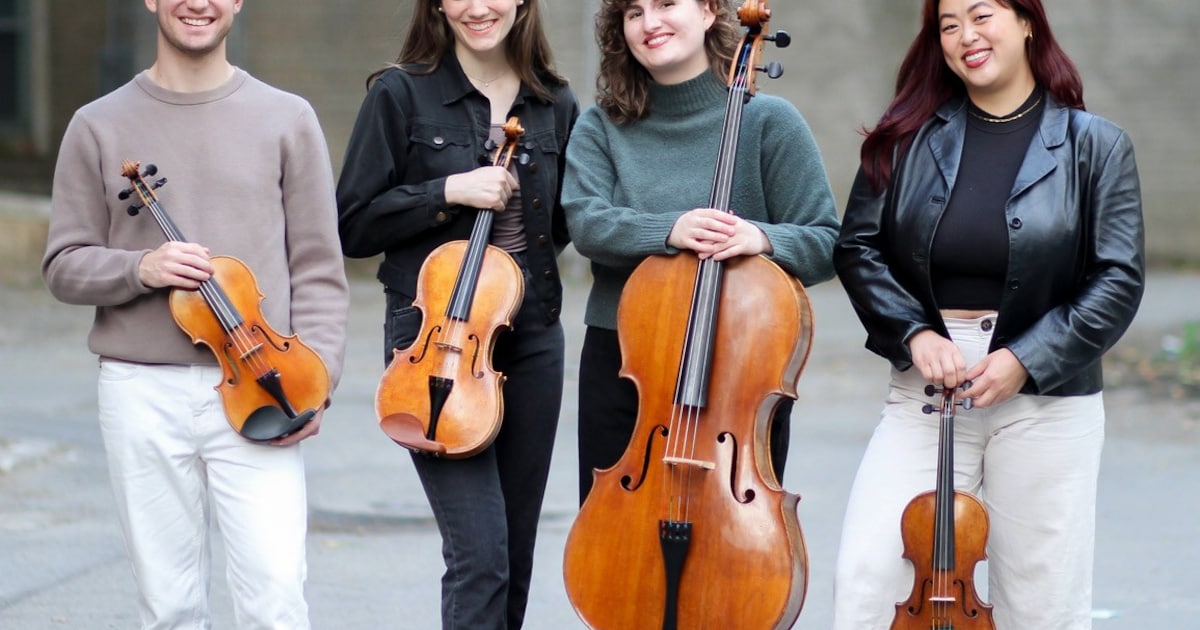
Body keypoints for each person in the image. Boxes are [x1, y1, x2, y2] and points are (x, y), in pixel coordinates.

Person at [831, 0, 1144, 627]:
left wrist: (1027, 359)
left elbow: (1118, 277)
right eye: (948, 25)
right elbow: (858, 247)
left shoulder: (1097, 146)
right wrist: (913, 331)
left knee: (1040, 599)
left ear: (1028, 21)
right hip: (925, 387)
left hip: (1046, 398)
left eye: (981, 15)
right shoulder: (907, 137)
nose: (965, 36)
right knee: (871, 574)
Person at [41, 0, 349, 628]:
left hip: (261, 383)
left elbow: (318, 269)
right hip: (139, 388)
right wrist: (139, 269)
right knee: (170, 606)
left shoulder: (287, 118)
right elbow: (63, 265)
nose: (198, 3)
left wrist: (316, 381)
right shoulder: (96, 124)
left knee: (275, 598)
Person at [335, 0, 578, 627]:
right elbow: (352, 223)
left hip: (529, 341)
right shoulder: (400, 96)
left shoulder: (554, 102)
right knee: (481, 555)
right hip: (437, 345)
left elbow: (564, 224)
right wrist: (446, 191)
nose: (478, 7)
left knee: (516, 553)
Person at [562, 0, 840, 502]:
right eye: (634, 13)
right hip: (624, 358)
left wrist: (763, 238)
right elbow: (587, 224)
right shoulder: (600, 126)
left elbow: (825, 241)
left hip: (741, 364)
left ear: (710, 12)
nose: (650, 23)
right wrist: (670, 229)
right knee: (616, 533)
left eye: (667, 4)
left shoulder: (771, 121)